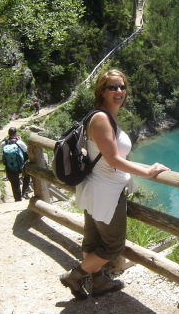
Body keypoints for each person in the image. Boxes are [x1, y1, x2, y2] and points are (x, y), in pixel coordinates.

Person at [59, 69, 170, 299]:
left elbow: (109, 156)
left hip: (96, 188)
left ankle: (98, 283)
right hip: (106, 192)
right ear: (101, 91)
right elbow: (113, 160)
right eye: (113, 87)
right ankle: (74, 276)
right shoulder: (101, 118)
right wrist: (148, 172)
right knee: (112, 246)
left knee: (93, 240)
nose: (119, 91)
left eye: (122, 87)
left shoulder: (102, 116)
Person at [2, 127, 31, 202]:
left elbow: (3, 153)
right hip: (21, 166)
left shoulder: (4, 143)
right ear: (15, 133)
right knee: (27, 176)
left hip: (9, 167)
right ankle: (24, 192)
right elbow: (27, 150)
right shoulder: (19, 142)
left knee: (15, 184)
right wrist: (20, 140)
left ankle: (17, 200)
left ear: (8, 133)